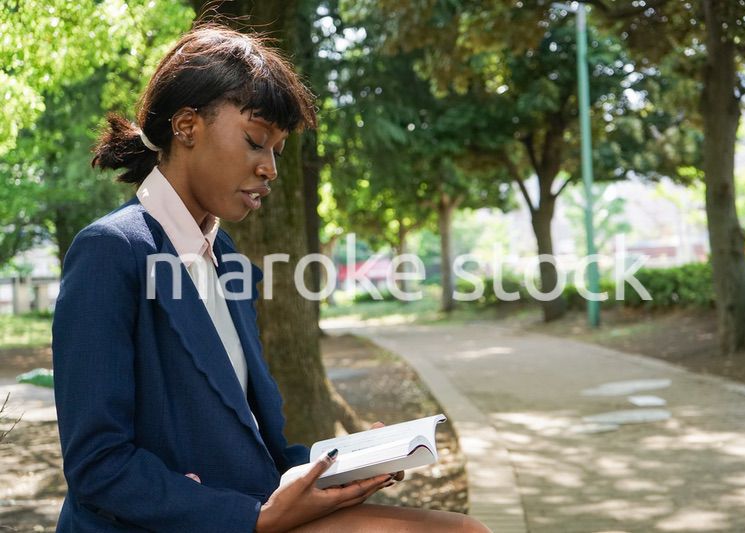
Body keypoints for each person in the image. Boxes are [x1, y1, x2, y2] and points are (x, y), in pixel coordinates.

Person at [52, 23, 490, 533]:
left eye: (276, 151)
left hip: (253, 507)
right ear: (188, 126)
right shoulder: (112, 250)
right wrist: (253, 519)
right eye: (256, 142)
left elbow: (254, 442)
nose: (270, 169)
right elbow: (98, 468)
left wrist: (343, 463)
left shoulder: (227, 257)